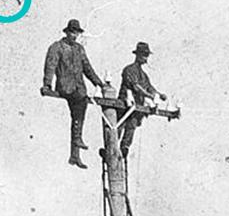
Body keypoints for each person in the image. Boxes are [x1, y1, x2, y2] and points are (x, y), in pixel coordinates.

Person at [41, 19, 105, 169]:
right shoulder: (57, 47)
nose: (74, 36)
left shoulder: (79, 49)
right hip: (66, 85)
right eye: (72, 32)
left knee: (79, 111)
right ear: (67, 32)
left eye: (76, 33)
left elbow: (87, 68)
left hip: (78, 86)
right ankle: (77, 142)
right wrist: (47, 84)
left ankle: (75, 154)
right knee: (80, 104)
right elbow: (50, 65)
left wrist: (99, 83)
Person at [119, 41, 168, 159]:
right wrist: (150, 96)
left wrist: (159, 94)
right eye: (144, 55)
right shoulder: (129, 70)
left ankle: (123, 149)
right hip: (124, 105)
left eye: (147, 56)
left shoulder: (143, 75)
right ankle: (112, 150)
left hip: (136, 108)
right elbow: (136, 87)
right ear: (138, 55)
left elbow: (149, 87)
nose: (146, 58)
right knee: (118, 128)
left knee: (131, 128)